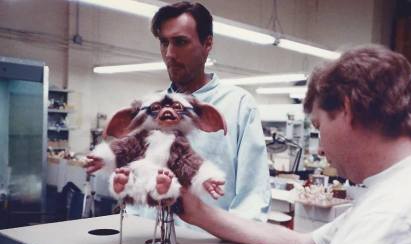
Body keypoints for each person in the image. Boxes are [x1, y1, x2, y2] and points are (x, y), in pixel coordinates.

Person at [82, 45, 411, 244]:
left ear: (345, 110)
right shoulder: (404, 190)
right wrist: (199, 211)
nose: (320, 147)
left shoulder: (401, 215)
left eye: (318, 126)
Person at [85, 1, 271, 221]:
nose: (170, 54)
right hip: (146, 237)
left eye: (181, 42)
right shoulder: (150, 109)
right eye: (164, 43)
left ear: (207, 44)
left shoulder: (238, 105)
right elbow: (135, 168)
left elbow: (253, 198)